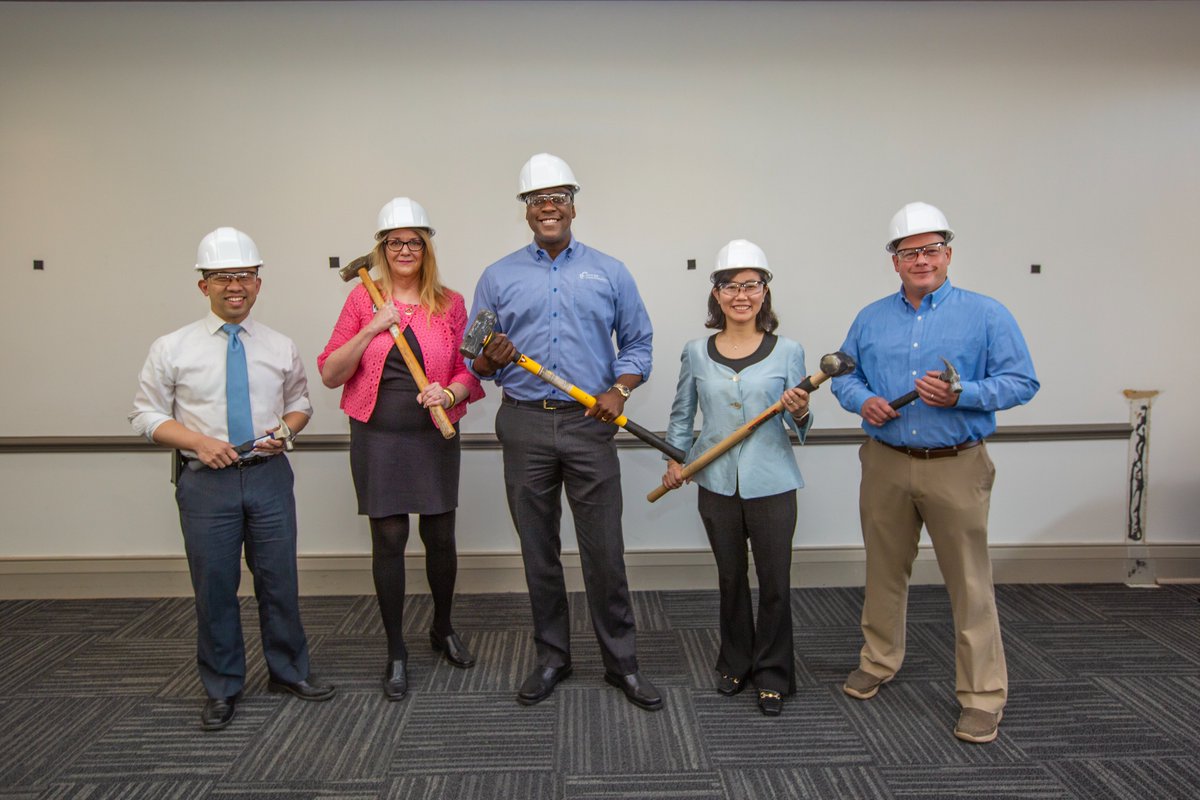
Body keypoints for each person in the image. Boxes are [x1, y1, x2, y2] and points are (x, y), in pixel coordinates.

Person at [830, 202, 1039, 744]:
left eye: (930, 250)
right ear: (893, 262)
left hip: (957, 465)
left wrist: (963, 393)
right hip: (886, 463)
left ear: (948, 254)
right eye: (908, 252)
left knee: (969, 583)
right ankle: (878, 660)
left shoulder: (987, 314)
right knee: (883, 569)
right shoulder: (870, 318)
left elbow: (1022, 382)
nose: (920, 260)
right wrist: (864, 401)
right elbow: (843, 379)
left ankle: (982, 695)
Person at [468, 153, 662, 711]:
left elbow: (638, 344)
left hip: (588, 423)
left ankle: (621, 664)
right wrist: (491, 355)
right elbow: (475, 361)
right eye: (536, 199)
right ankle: (552, 657)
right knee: (538, 550)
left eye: (557, 197)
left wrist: (619, 391)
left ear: (573, 204)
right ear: (526, 211)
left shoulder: (610, 271)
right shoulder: (497, 276)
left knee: (605, 550)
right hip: (524, 422)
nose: (547, 206)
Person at [130, 227, 334, 731]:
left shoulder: (280, 345)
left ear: (258, 283)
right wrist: (197, 442)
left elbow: (301, 405)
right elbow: (145, 415)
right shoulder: (172, 348)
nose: (234, 286)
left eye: (244, 275)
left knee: (279, 581)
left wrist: (285, 430)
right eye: (222, 277)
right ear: (204, 286)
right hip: (206, 482)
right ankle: (222, 686)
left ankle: (288, 671)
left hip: (268, 476)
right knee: (215, 588)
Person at [318, 198, 483, 701]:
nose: (405, 250)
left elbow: (470, 370)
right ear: (382, 249)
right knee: (388, 540)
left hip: (433, 432)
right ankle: (395, 649)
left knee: (440, 537)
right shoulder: (361, 301)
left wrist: (451, 392)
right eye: (395, 242)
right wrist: (372, 324)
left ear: (426, 247)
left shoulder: (450, 303)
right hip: (378, 436)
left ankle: (442, 627)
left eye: (415, 241)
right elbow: (330, 372)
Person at [661, 240, 811, 717]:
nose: (741, 295)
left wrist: (801, 411)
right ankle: (735, 663)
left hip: (772, 482)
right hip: (715, 481)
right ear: (717, 293)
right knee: (730, 578)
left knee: (774, 582)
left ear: (765, 292)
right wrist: (674, 458)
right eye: (730, 286)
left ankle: (773, 673)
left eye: (751, 285)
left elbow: (799, 426)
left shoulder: (789, 351)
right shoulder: (696, 352)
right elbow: (682, 415)